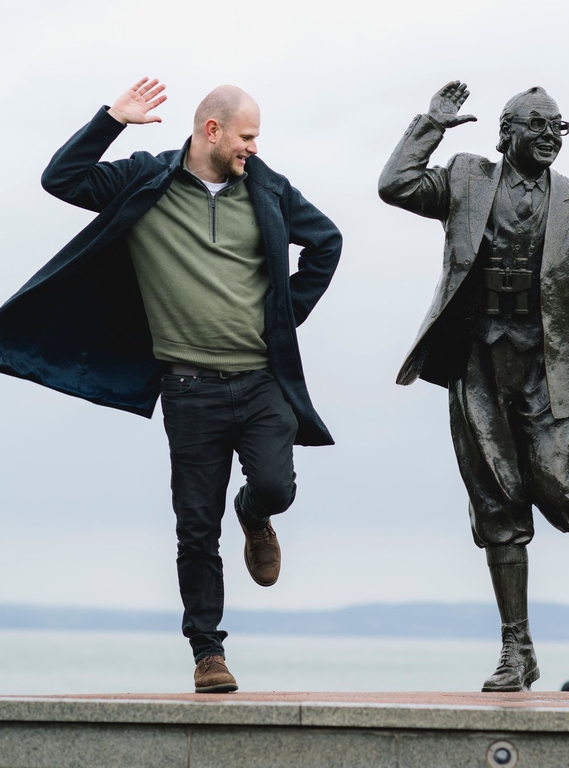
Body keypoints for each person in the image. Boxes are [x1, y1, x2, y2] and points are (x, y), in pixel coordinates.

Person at [0, 78, 342, 692]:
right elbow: (63, 179)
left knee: (274, 484)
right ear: (212, 130)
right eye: (247, 136)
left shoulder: (266, 188)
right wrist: (112, 119)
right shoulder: (143, 179)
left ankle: (256, 514)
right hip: (189, 389)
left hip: (262, 380)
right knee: (194, 526)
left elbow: (326, 242)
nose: (254, 148)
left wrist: (286, 312)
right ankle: (208, 652)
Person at [378, 81, 569, 692]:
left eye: (559, 127)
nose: (551, 137)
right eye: (538, 126)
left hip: (546, 366)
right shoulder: (467, 180)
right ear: (506, 133)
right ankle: (517, 648)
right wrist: (431, 124)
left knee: (564, 497)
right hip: (477, 361)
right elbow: (395, 185)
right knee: (497, 507)